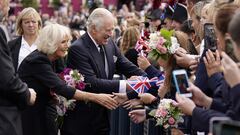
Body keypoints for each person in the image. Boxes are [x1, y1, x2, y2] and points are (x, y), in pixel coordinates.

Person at [18, 23, 118, 135]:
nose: (67, 45)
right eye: (63, 42)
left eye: (68, 41)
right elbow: (62, 88)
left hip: (46, 109)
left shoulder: (55, 57)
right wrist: (96, 97)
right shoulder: (37, 61)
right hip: (32, 114)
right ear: (51, 43)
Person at [62, 8, 145, 135]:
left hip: (104, 118)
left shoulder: (109, 43)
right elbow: (91, 82)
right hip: (82, 122)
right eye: (108, 30)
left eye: (112, 29)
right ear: (94, 28)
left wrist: (149, 79)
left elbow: (126, 66)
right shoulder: (78, 48)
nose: (112, 33)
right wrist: (126, 84)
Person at [0, 0, 36, 135]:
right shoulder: (12, 44)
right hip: (17, 99)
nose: (31, 25)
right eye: (27, 22)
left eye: (34, 21)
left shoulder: (46, 46)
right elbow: (6, 77)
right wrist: (26, 93)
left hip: (38, 102)